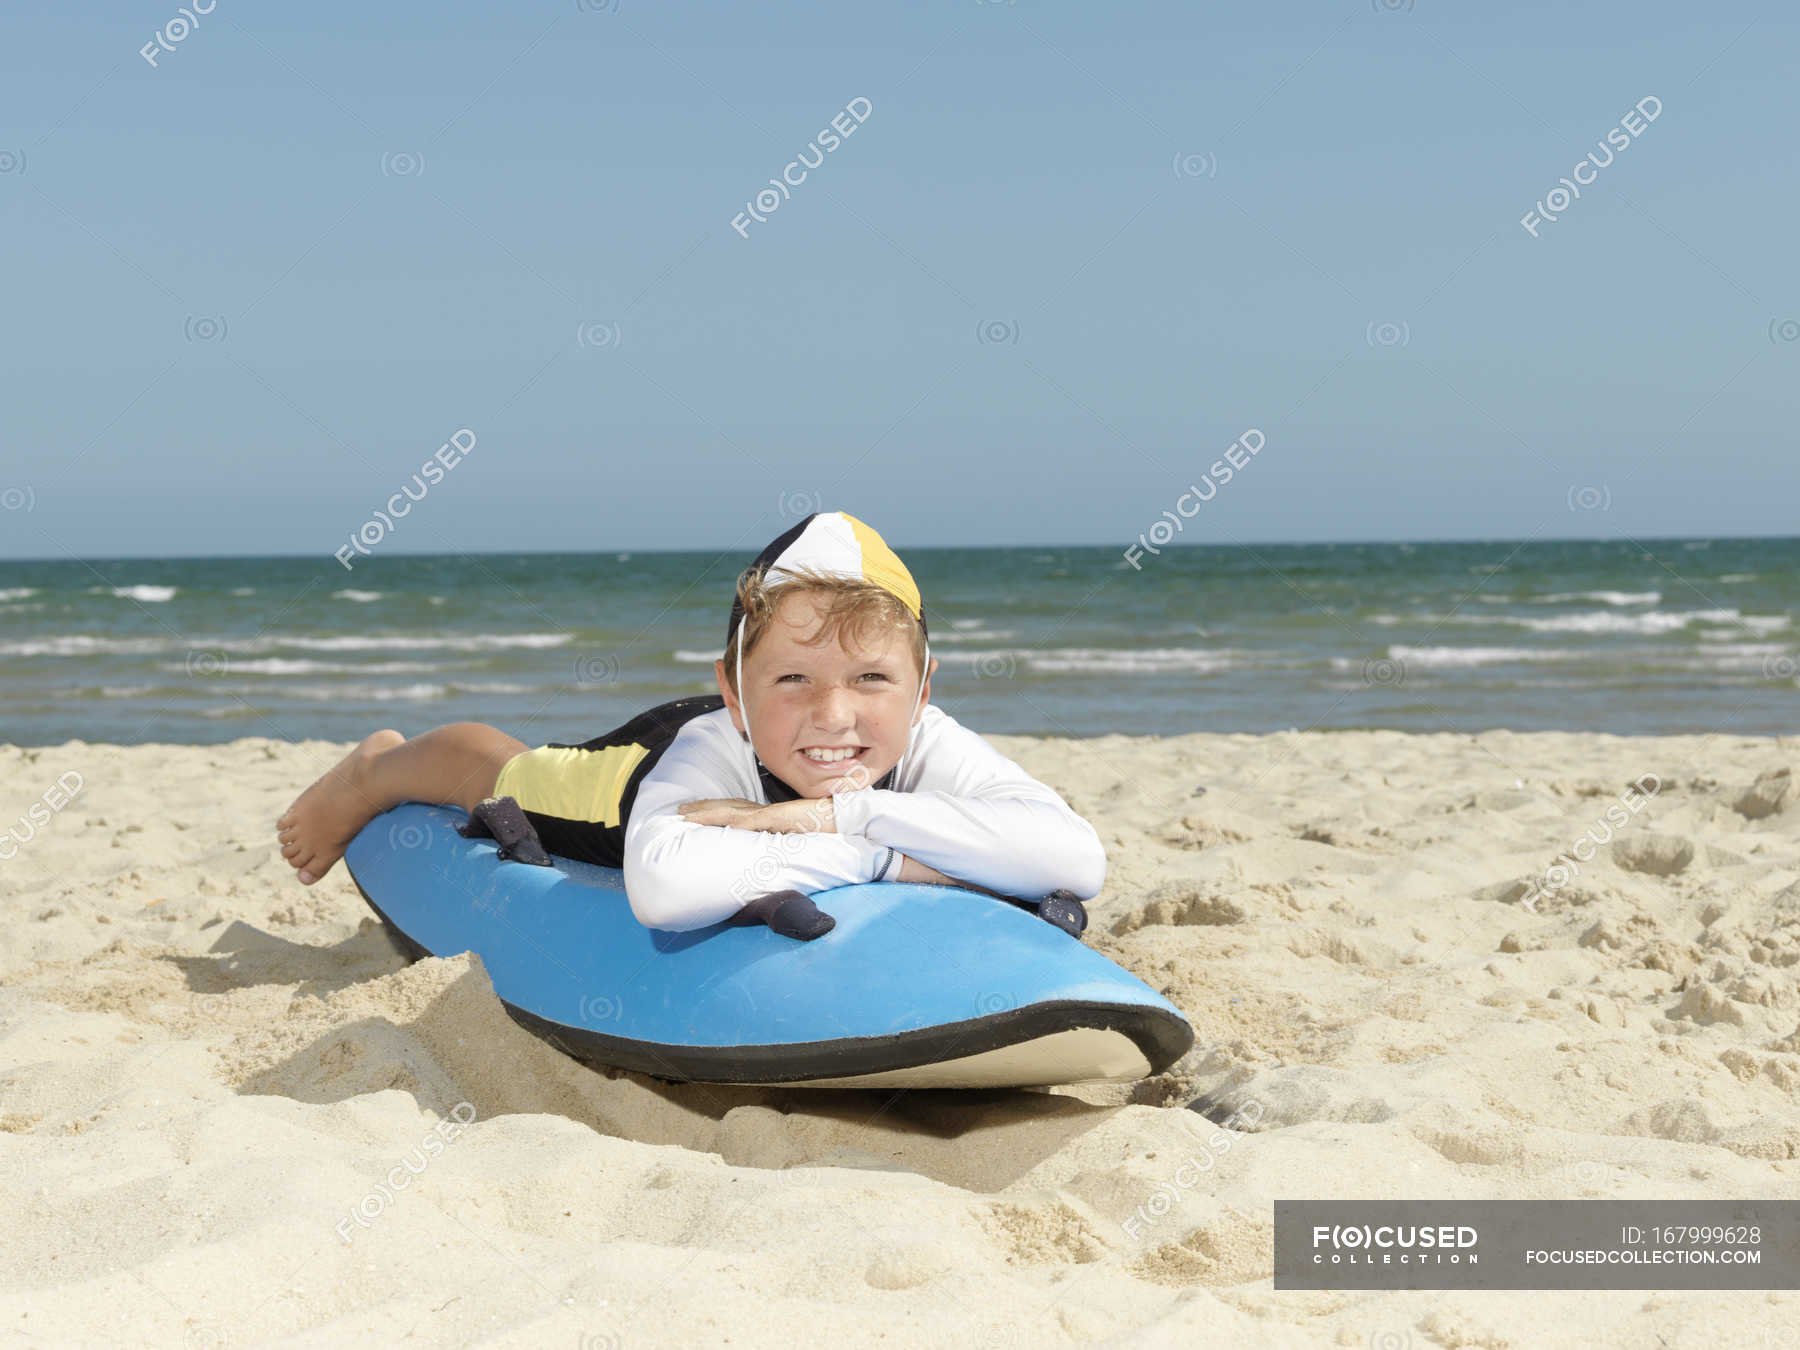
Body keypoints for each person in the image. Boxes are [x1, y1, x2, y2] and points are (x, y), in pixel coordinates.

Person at [275, 511, 1105, 933]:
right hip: (647, 767)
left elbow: (1074, 854)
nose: (835, 713)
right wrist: (899, 858)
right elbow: (665, 887)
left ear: (922, 689)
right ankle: (376, 767)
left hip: (794, 785)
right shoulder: (714, 740)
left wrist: (838, 817)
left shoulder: (932, 740)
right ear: (735, 691)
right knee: (506, 774)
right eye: (793, 676)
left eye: (872, 678)